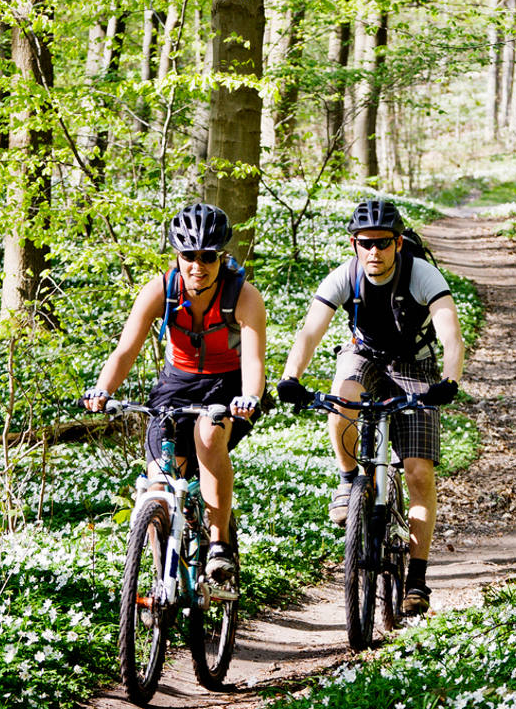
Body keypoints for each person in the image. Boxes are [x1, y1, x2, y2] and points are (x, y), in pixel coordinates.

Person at [277, 196, 464, 618]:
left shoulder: (422, 274)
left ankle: (416, 579)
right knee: (342, 397)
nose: (374, 251)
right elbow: (310, 331)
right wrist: (291, 377)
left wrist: (449, 381)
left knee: (418, 473)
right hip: (364, 355)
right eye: (366, 243)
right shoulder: (345, 276)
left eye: (383, 242)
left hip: (415, 363)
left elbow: (450, 333)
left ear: (397, 243)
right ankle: (348, 481)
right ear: (354, 244)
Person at [83, 202, 266, 585]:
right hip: (175, 385)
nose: (198, 265)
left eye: (208, 257)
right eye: (189, 256)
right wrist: (102, 389)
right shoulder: (161, 290)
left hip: (228, 385)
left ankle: (219, 544)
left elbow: (253, 360)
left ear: (222, 257)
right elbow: (125, 350)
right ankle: (162, 582)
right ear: (177, 256)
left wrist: (250, 396)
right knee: (158, 487)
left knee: (208, 436)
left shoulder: (244, 296)